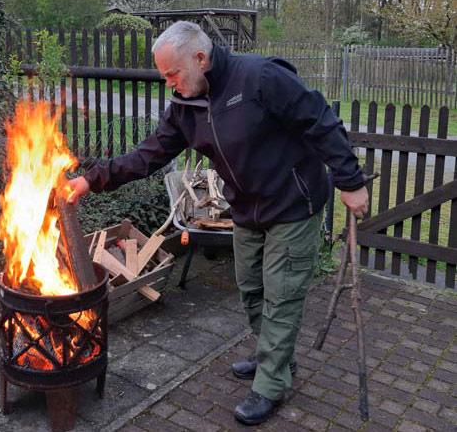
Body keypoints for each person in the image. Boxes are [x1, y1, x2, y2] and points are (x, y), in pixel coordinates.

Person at [68, 21, 369, 425]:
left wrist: (350, 180)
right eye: (163, 77)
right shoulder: (184, 107)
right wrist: (92, 178)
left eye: (173, 74)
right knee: (251, 289)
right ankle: (274, 357)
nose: (169, 84)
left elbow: (319, 120)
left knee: (281, 294)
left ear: (200, 58)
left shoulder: (261, 77)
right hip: (246, 209)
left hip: (293, 204)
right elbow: (148, 155)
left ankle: (271, 384)